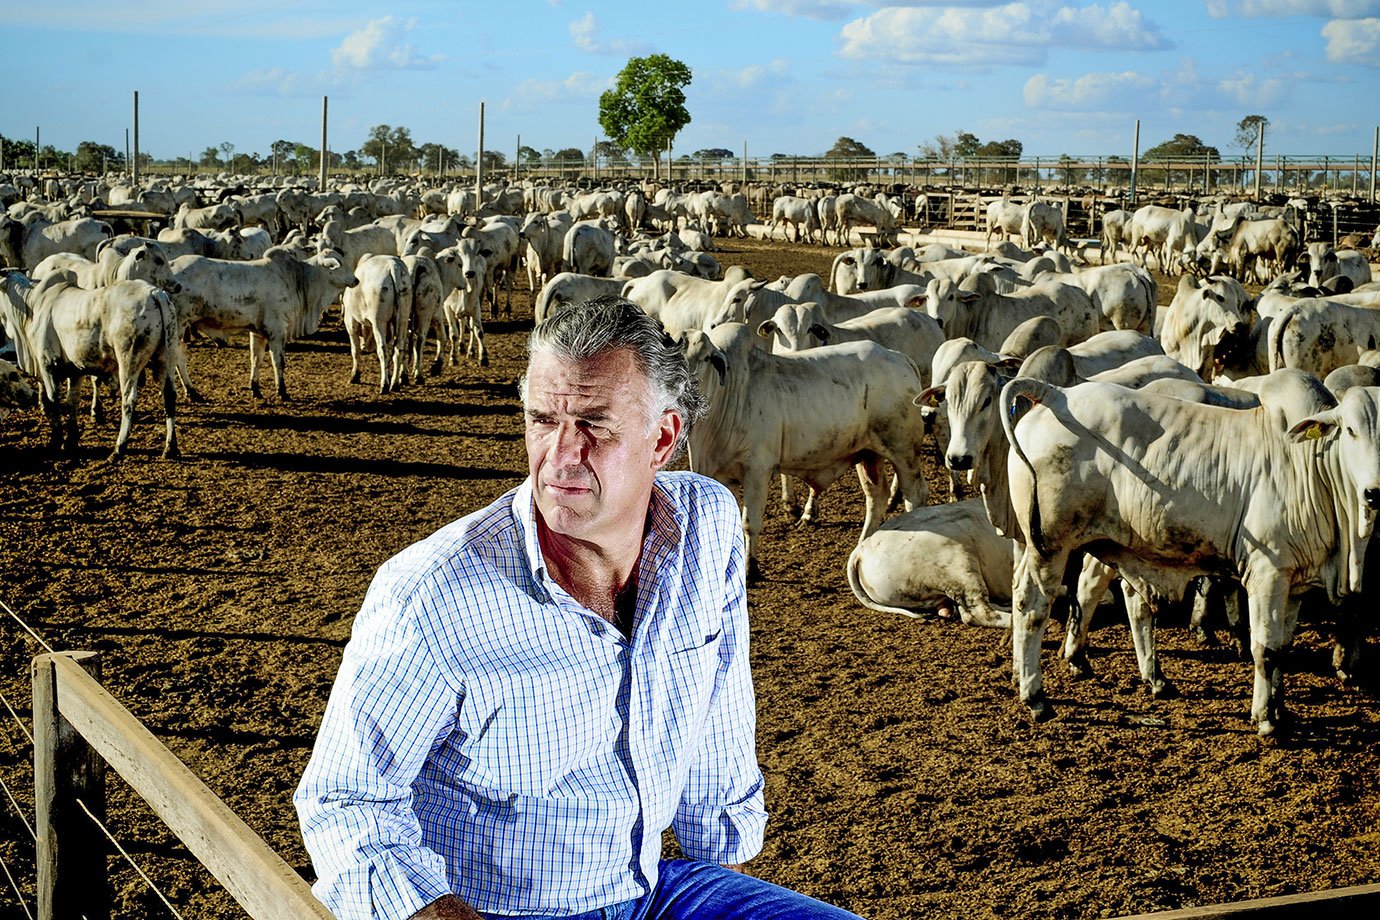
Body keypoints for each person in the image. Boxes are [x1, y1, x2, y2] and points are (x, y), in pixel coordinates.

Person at [295, 297, 863, 920]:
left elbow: (723, 696)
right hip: (504, 910)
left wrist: (720, 847)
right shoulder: (432, 593)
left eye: (594, 424)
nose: (561, 455)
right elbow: (344, 798)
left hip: (656, 890)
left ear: (665, 438)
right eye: (542, 420)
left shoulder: (708, 526)